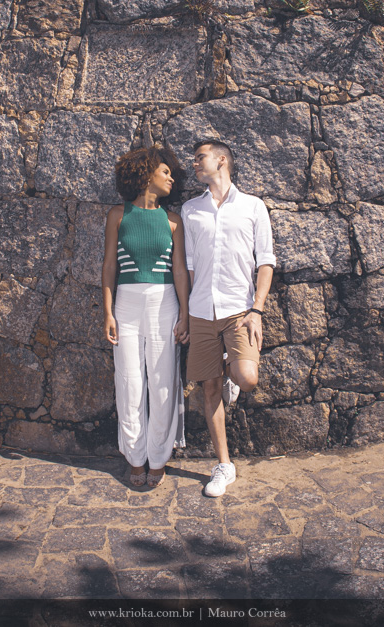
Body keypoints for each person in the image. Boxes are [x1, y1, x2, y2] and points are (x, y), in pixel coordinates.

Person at [181, 140, 275, 498]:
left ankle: (231, 368)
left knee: (247, 379)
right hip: (202, 311)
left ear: (222, 160)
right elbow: (189, 266)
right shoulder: (191, 210)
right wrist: (187, 314)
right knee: (209, 388)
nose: (194, 164)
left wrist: (257, 309)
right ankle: (224, 465)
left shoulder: (253, 206)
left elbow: (265, 261)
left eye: (200, 158)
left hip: (239, 310)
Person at [102, 147, 189, 488]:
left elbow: (179, 271)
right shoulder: (117, 215)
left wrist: (185, 314)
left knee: (163, 383)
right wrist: (108, 312)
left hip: (164, 303)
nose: (171, 178)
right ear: (146, 173)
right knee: (129, 383)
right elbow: (109, 266)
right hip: (126, 304)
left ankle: (159, 457)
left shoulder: (173, 220)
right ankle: (135, 458)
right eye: (165, 172)